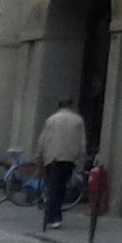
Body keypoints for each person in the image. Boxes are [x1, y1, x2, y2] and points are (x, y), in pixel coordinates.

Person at [37, 96, 88, 231]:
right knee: (61, 188)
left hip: (52, 157)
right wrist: (81, 158)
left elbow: (43, 139)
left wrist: (40, 154)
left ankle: (52, 216)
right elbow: (82, 142)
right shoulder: (78, 120)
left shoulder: (52, 119)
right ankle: (55, 216)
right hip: (69, 158)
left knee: (52, 187)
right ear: (70, 106)